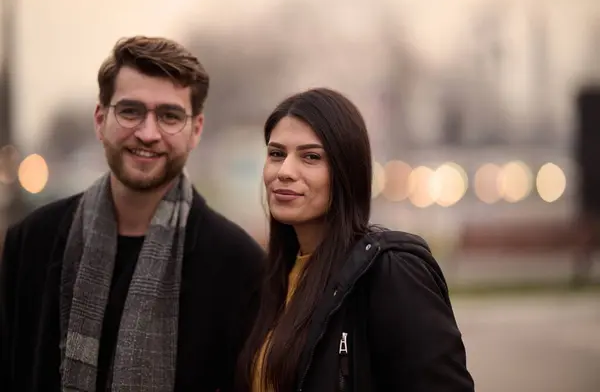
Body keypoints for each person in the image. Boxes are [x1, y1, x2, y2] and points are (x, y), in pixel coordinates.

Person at [0, 36, 265, 392]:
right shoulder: (31, 242)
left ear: (195, 130)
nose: (148, 133)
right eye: (130, 111)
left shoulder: (239, 266)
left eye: (169, 116)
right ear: (100, 119)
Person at [236, 88, 474, 391]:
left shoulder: (389, 272)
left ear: (346, 171)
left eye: (310, 157)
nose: (284, 171)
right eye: (276, 154)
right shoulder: (271, 280)